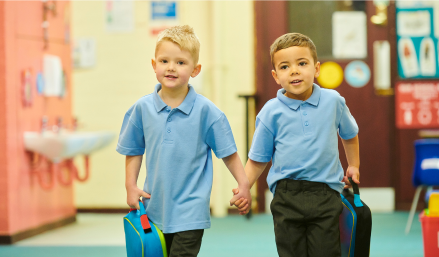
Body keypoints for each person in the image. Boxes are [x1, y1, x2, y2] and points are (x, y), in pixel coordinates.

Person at [116, 25, 251, 257]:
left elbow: (228, 153)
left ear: (195, 70)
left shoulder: (208, 112)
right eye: (164, 61)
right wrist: (131, 185)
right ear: (153, 65)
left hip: (191, 211)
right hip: (154, 208)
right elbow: (134, 150)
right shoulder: (141, 109)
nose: (171, 68)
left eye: (180, 62)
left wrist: (244, 185)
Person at [234, 33, 360, 256]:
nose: (294, 71)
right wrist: (244, 187)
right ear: (275, 76)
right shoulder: (270, 112)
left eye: (302, 63)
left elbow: (349, 134)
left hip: (326, 192)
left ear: (317, 68)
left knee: (326, 251)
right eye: (285, 67)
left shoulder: (334, 102)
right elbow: (258, 159)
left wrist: (354, 166)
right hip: (286, 195)